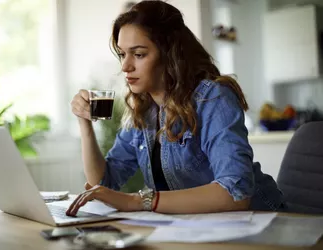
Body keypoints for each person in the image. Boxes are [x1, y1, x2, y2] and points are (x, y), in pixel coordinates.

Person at [68, 0, 284, 216]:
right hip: (198, 227)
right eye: (123, 54)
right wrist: (84, 122)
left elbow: (236, 193)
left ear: (169, 53)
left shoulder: (212, 98)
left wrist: (139, 201)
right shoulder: (143, 109)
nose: (125, 66)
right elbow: (104, 183)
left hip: (262, 221)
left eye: (139, 54)